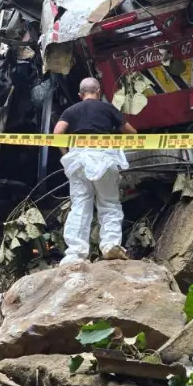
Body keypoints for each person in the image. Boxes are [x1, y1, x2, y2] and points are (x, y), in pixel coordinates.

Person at [52, 76, 137, 265]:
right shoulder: (108, 108)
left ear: (80, 94)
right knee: (109, 203)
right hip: (104, 158)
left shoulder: (71, 110)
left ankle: (75, 254)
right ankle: (110, 245)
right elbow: (132, 133)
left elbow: (57, 132)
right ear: (99, 92)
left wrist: (66, 154)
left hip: (78, 160)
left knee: (80, 205)